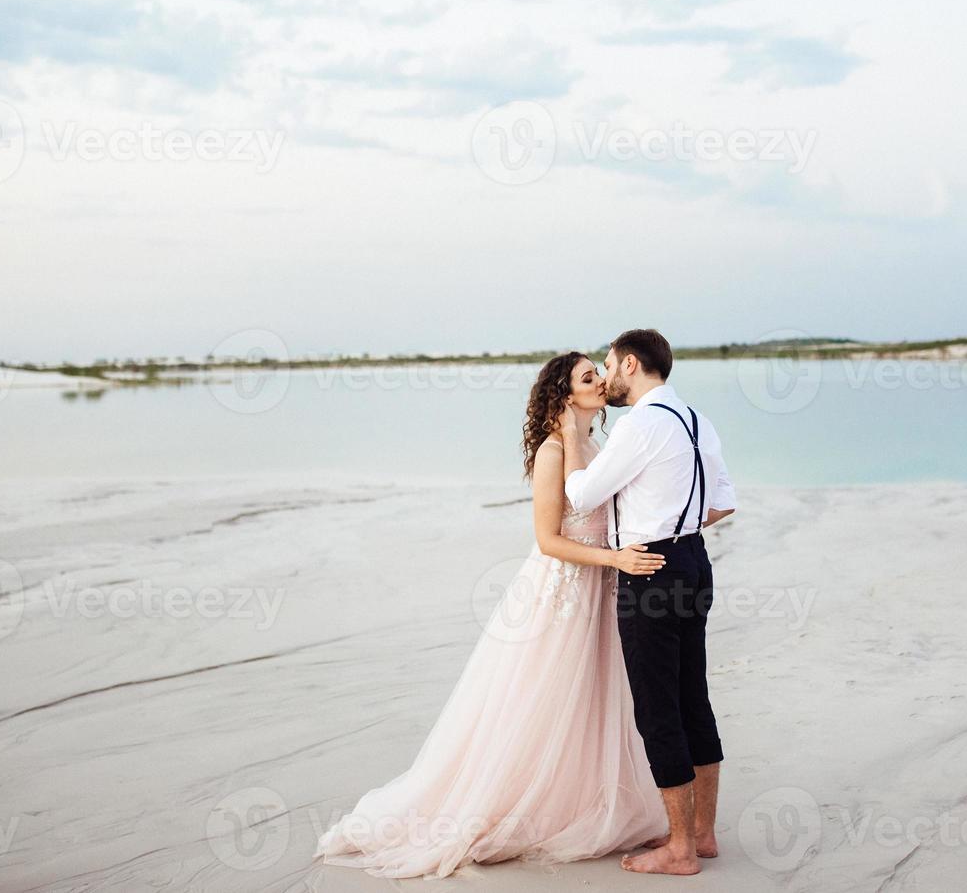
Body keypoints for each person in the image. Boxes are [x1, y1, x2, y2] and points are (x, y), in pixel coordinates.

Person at [313, 351, 669, 879]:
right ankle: (516, 805)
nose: (600, 381)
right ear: (566, 394)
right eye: (588, 377)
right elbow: (548, 541)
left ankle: (583, 800)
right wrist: (613, 558)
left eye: (601, 372)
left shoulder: (599, 445)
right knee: (545, 696)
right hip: (564, 591)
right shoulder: (553, 450)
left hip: (604, 587)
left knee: (596, 697)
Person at [560, 328, 736, 876]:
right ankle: (702, 834)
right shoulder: (696, 419)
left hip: (650, 571)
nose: (606, 377)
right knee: (693, 699)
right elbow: (721, 506)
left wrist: (569, 436)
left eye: (609, 366)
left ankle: (680, 850)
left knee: (659, 710)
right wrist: (673, 520)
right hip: (694, 563)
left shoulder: (639, 424)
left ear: (631, 364)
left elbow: (581, 493)